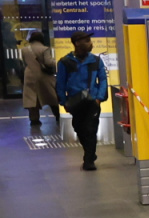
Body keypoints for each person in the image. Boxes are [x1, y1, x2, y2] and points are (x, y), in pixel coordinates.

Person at [55, 33, 109, 171]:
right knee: (78, 128)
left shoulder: (96, 60)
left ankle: (89, 160)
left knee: (91, 129)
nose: (91, 43)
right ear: (77, 43)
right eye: (87, 41)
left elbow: (103, 79)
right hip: (75, 102)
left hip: (92, 101)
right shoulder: (65, 62)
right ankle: (90, 152)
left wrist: (99, 98)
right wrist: (64, 102)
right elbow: (60, 83)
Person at [22, 31, 58, 136]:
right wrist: (57, 62)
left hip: (29, 74)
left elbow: (24, 62)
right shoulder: (45, 49)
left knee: (32, 98)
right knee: (51, 96)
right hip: (43, 75)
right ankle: (58, 115)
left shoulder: (25, 49)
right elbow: (48, 62)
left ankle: (34, 120)